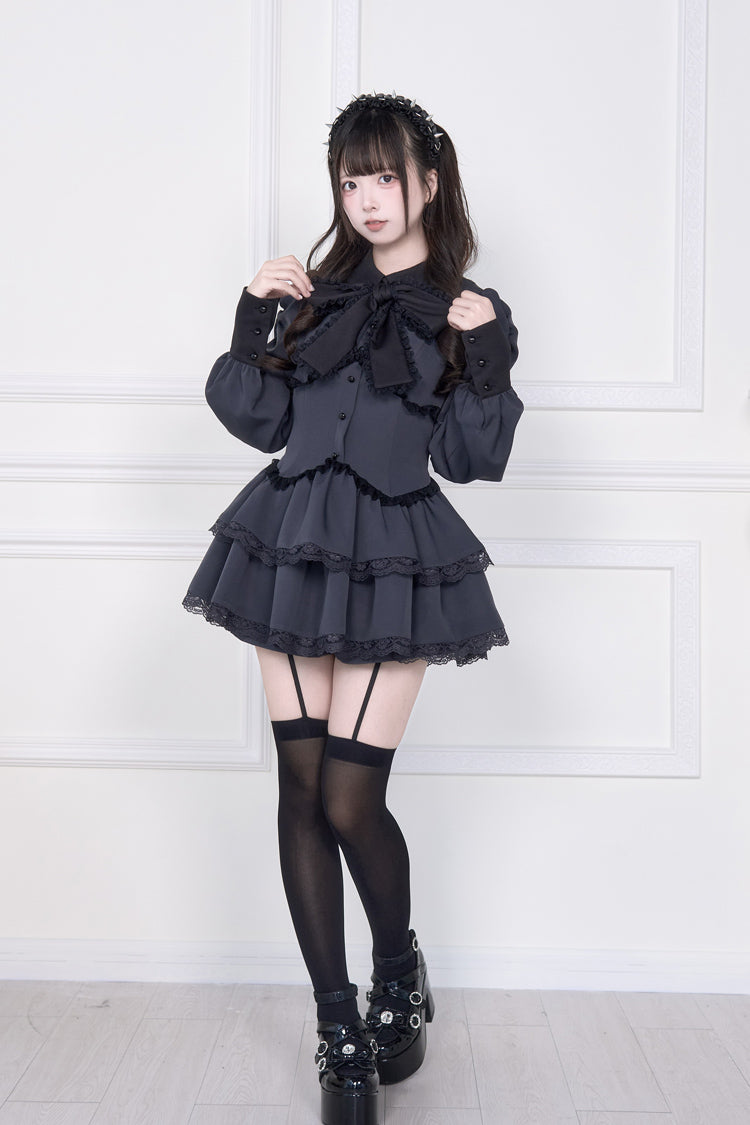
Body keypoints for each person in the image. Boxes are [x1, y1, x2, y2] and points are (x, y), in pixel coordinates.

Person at [183, 92, 523, 1125]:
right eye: (350, 179)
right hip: (288, 542)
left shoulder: (462, 308)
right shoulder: (314, 297)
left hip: (394, 558)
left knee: (347, 797)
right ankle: (339, 1032)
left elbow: (469, 458)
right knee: (298, 789)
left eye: (385, 176)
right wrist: (254, 315)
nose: (368, 198)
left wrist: (490, 354)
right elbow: (260, 419)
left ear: (429, 182)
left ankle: (398, 971)